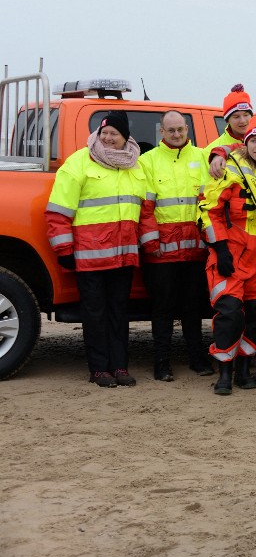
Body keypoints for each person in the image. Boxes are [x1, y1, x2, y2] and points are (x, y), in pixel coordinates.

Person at [46, 110, 147, 387]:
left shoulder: (135, 166)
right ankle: (99, 369)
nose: (108, 138)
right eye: (104, 133)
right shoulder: (79, 162)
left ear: (125, 137)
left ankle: (120, 367)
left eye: (114, 133)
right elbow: (57, 212)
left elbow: (145, 210)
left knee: (119, 313)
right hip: (90, 258)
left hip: (124, 256)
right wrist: (64, 249)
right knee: (95, 314)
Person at [199, 115, 256, 395]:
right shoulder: (229, 171)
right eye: (254, 141)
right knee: (230, 314)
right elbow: (207, 210)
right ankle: (223, 373)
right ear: (245, 143)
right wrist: (220, 248)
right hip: (233, 250)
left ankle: (243, 369)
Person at [138, 110, 213, 381]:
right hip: (162, 253)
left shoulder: (203, 157)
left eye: (180, 129)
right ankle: (162, 362)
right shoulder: (148, 162)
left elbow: (210, 202)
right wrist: (150, 242)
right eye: (171, 131)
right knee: (162, 309)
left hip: (195, 251)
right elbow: (145, 209)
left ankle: (197, 358)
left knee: (194, 308)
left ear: (187, 129)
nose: (177, 134)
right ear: (162, 132)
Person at [205, 84, 254, 179]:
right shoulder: (212, 150)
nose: (243, 121)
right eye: (236, 117)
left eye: (246, 115)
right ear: (227, 120)